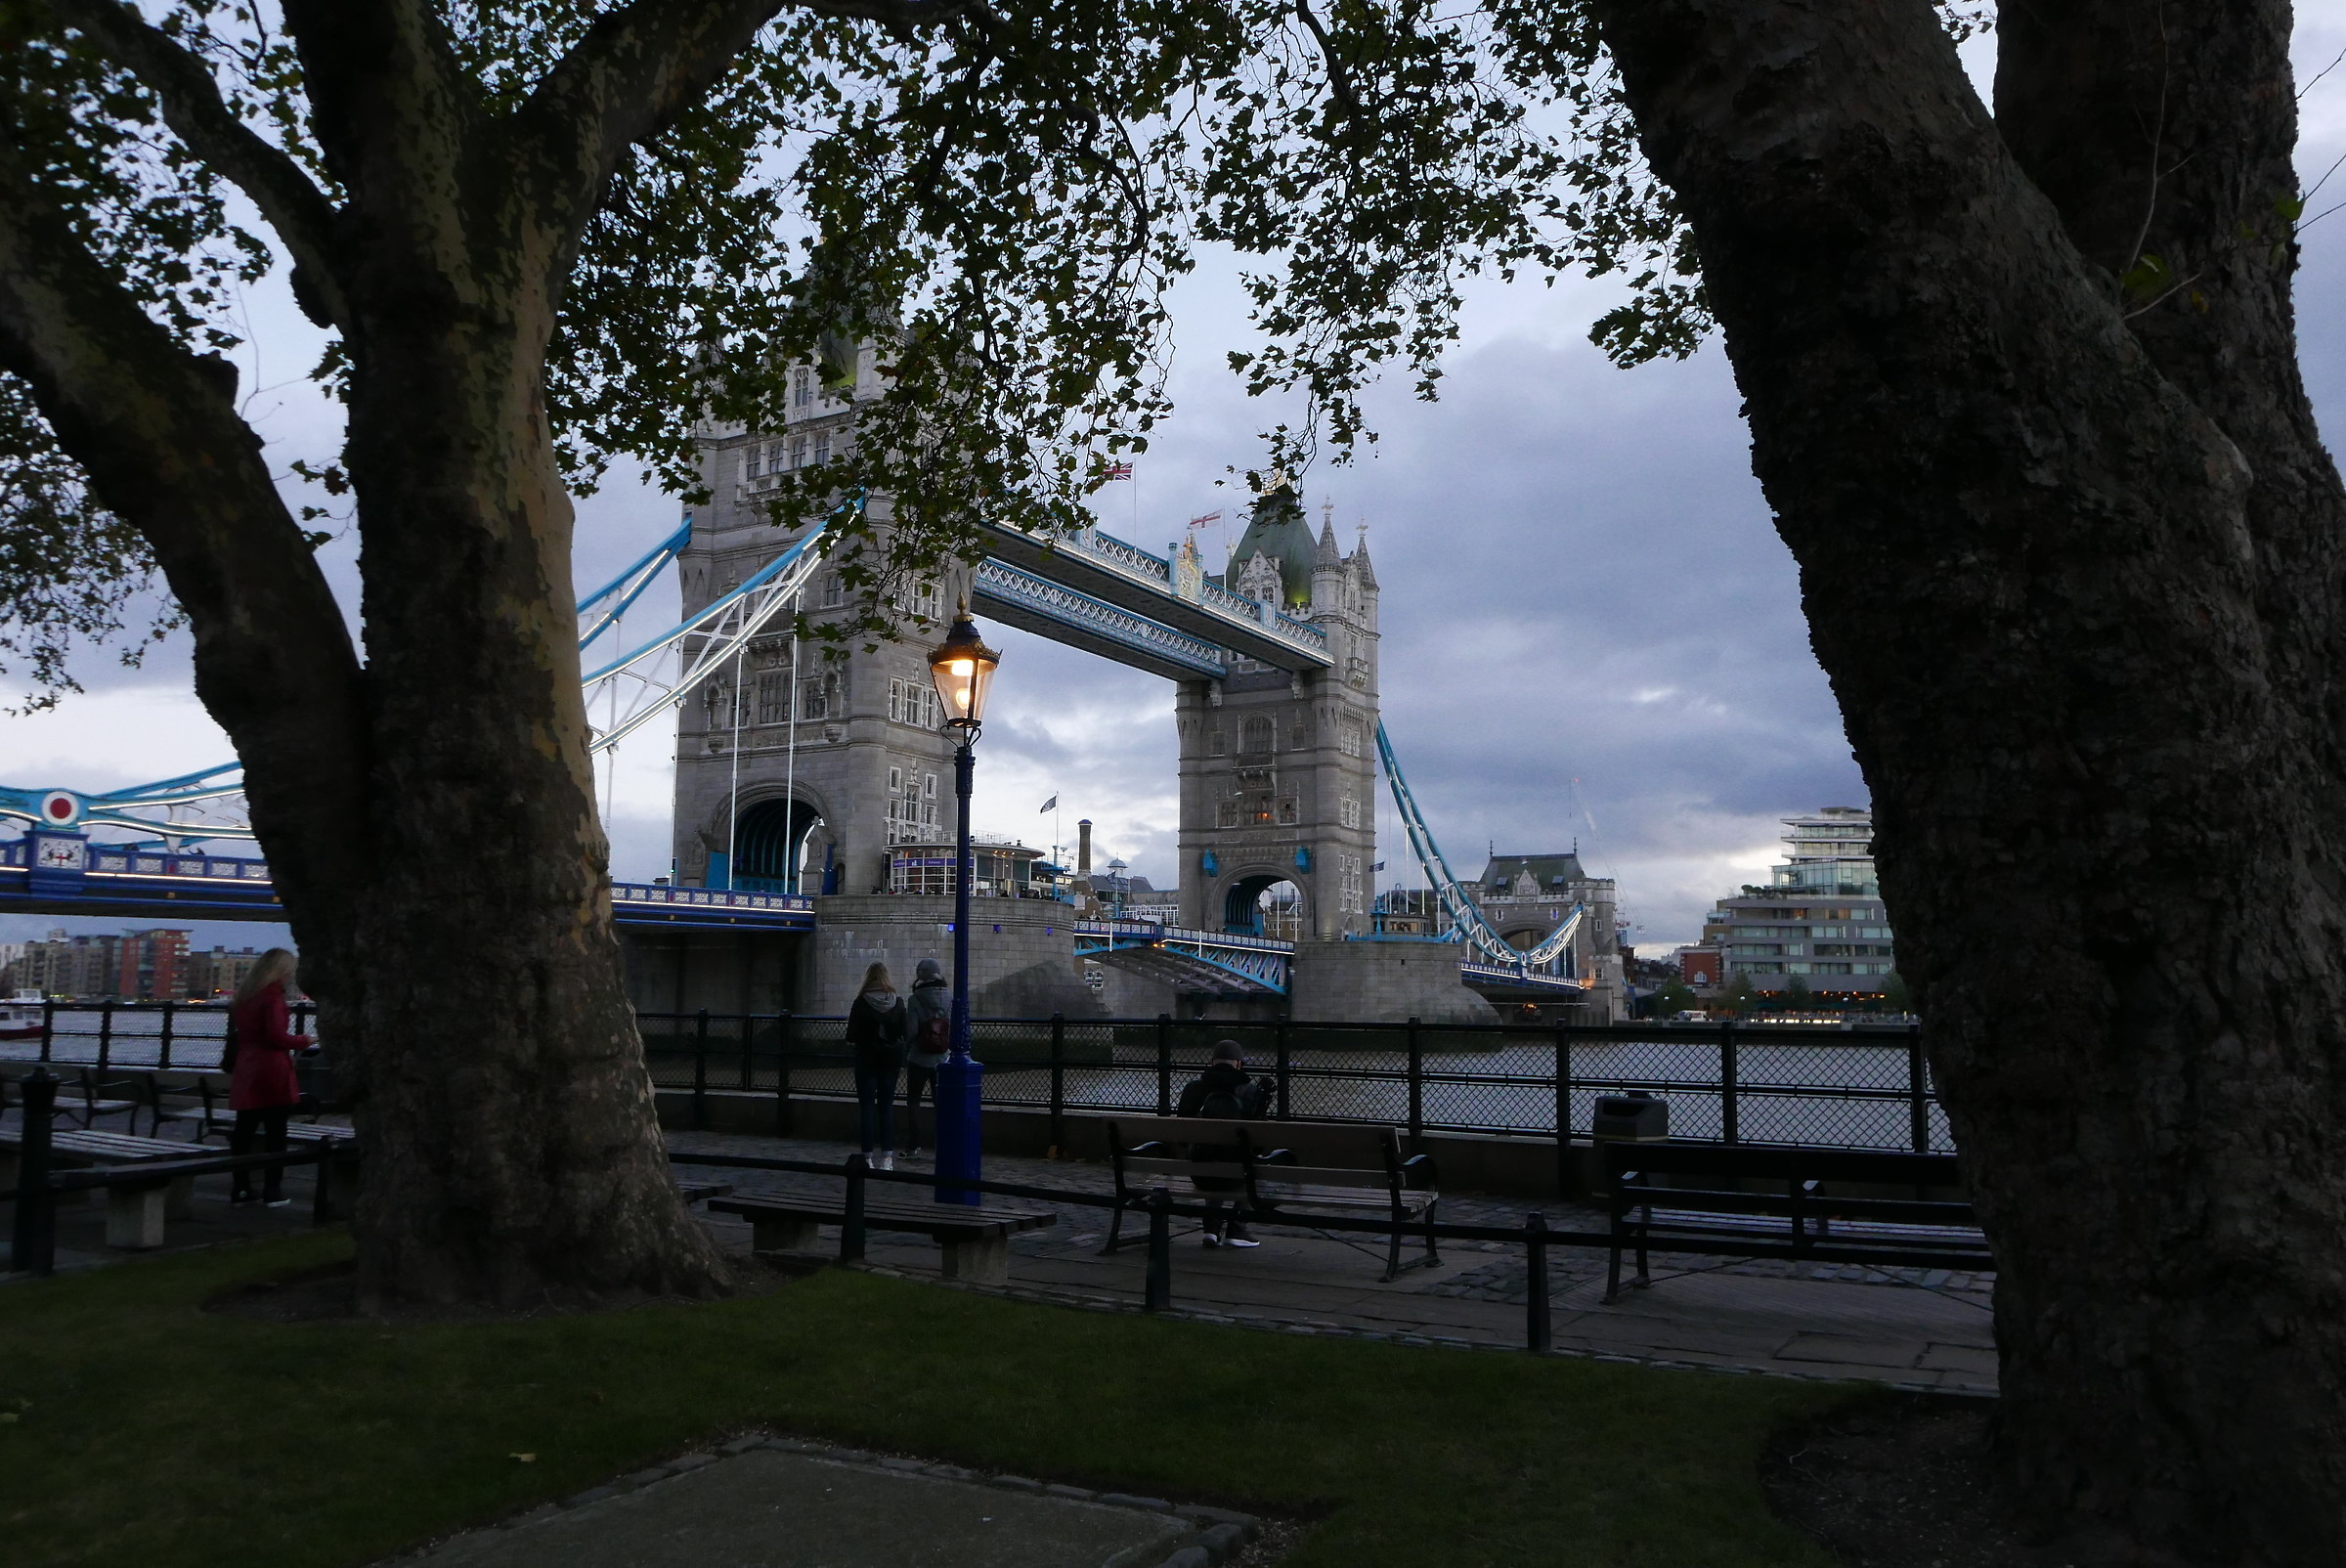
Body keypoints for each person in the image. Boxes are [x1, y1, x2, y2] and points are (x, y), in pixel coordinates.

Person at [227, 948, 311, 1206]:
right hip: (271, 1067)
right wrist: (304, 1040)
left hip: (247, 1067)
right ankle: (272, 1190)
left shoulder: (245, 996)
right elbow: (276, 1037)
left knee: (244, 1130)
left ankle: (240, 1188)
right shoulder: (272, 997)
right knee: (276, 1132)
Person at [1176, 1038, 1272, 1249]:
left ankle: (1211, 1228)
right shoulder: (1250, 1091)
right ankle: (1236, 1229)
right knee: (1250, 1167)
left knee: (1211, 1156)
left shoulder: (1193, 1089)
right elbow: (1259, 1141)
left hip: (1199, 1173)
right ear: (1238, 1064)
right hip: (1237, 1175)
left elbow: (1181, 1136)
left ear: (1212, 1063)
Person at [845, 961, 909, 1170]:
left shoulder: (861, 1003)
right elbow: (905, 1032)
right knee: (886, 1107)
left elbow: (851, 1035)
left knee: (867, 1107)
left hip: (867, 1058)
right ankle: (888, 1159)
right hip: (891, 1060)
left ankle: (867, 1157)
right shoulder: (898, 1003)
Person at [901, 957, 952, 1155]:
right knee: (941, 1103)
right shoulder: (949, 997)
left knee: (914, 1101)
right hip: (943, 1058)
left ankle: (913, 1145)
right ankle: (943, 1144)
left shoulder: (915, 999)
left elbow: (911, 1031)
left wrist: (908, 1046)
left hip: (919, 1058)